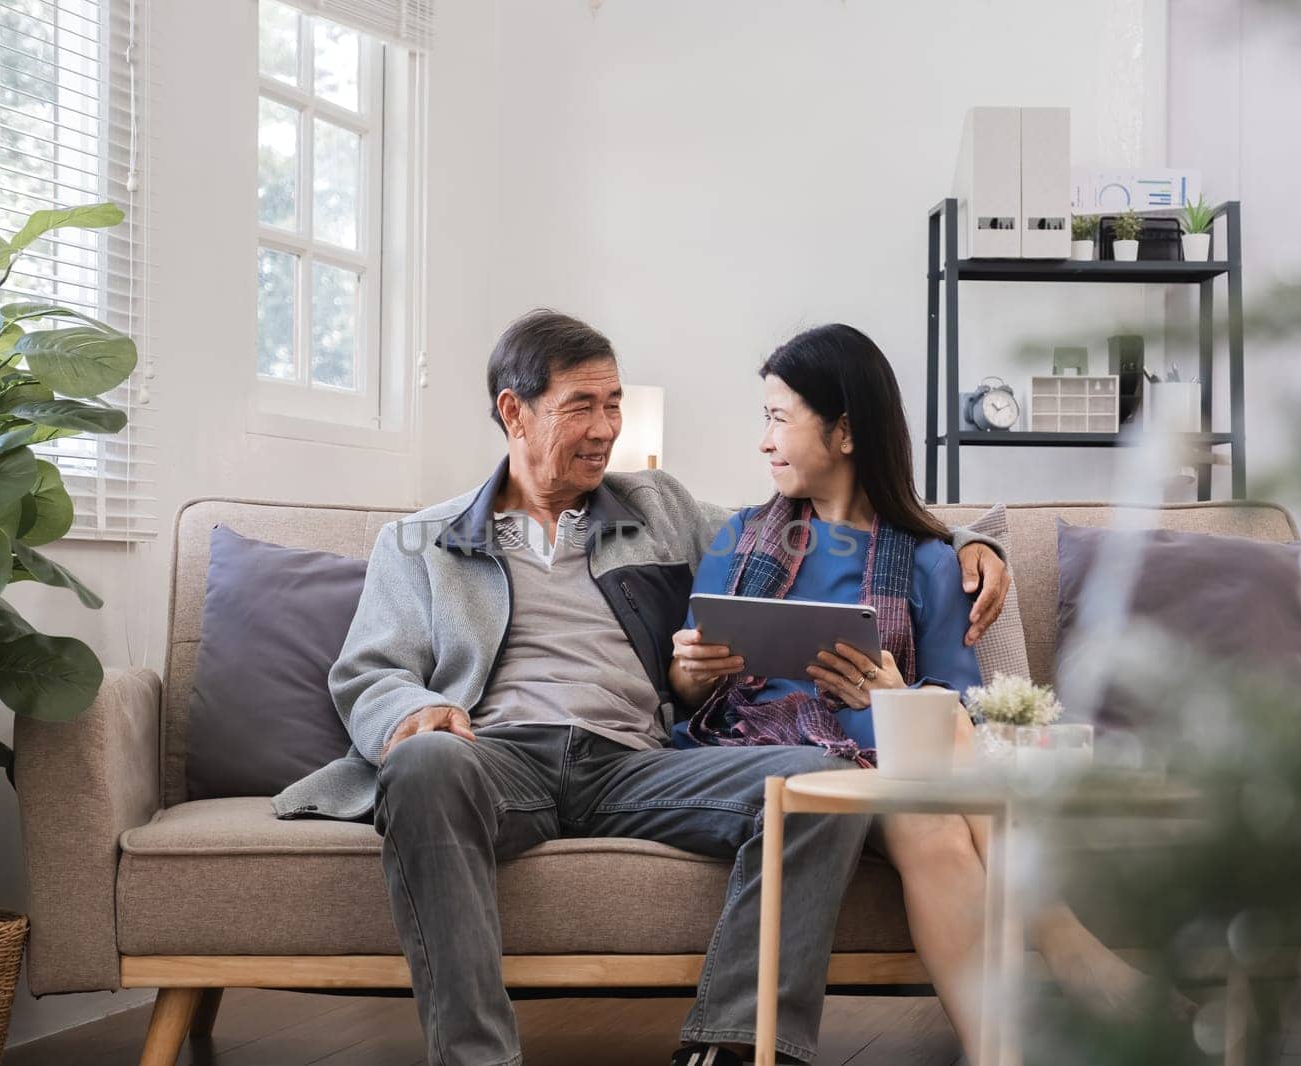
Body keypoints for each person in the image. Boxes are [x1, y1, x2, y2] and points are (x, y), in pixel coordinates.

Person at [272, 310, 1012, 1066]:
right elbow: (368, 672)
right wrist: (417, 711)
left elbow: (825, 513)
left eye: (614, 404)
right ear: (513, 412)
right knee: (421, 764)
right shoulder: (421, 540)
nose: (606, 429)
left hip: (636, 763)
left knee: (818, 786)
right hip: (497, 757)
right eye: (581, 407)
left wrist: (966, 542)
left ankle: (732, 1047)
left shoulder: (660, 507)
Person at [667, 323, 1159, 1059]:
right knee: (929, 798)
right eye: (764, 419)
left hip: (888, 772)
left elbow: (957, 707)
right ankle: (1063, 938)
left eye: (778, 419)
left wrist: (892, 694)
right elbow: (685, 689)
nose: (764, 441)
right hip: (757, 752)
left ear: (844, 432)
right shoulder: (736, 538)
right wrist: (689, 669)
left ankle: (1001, 1052)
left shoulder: (933, 561)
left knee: (930, 823)